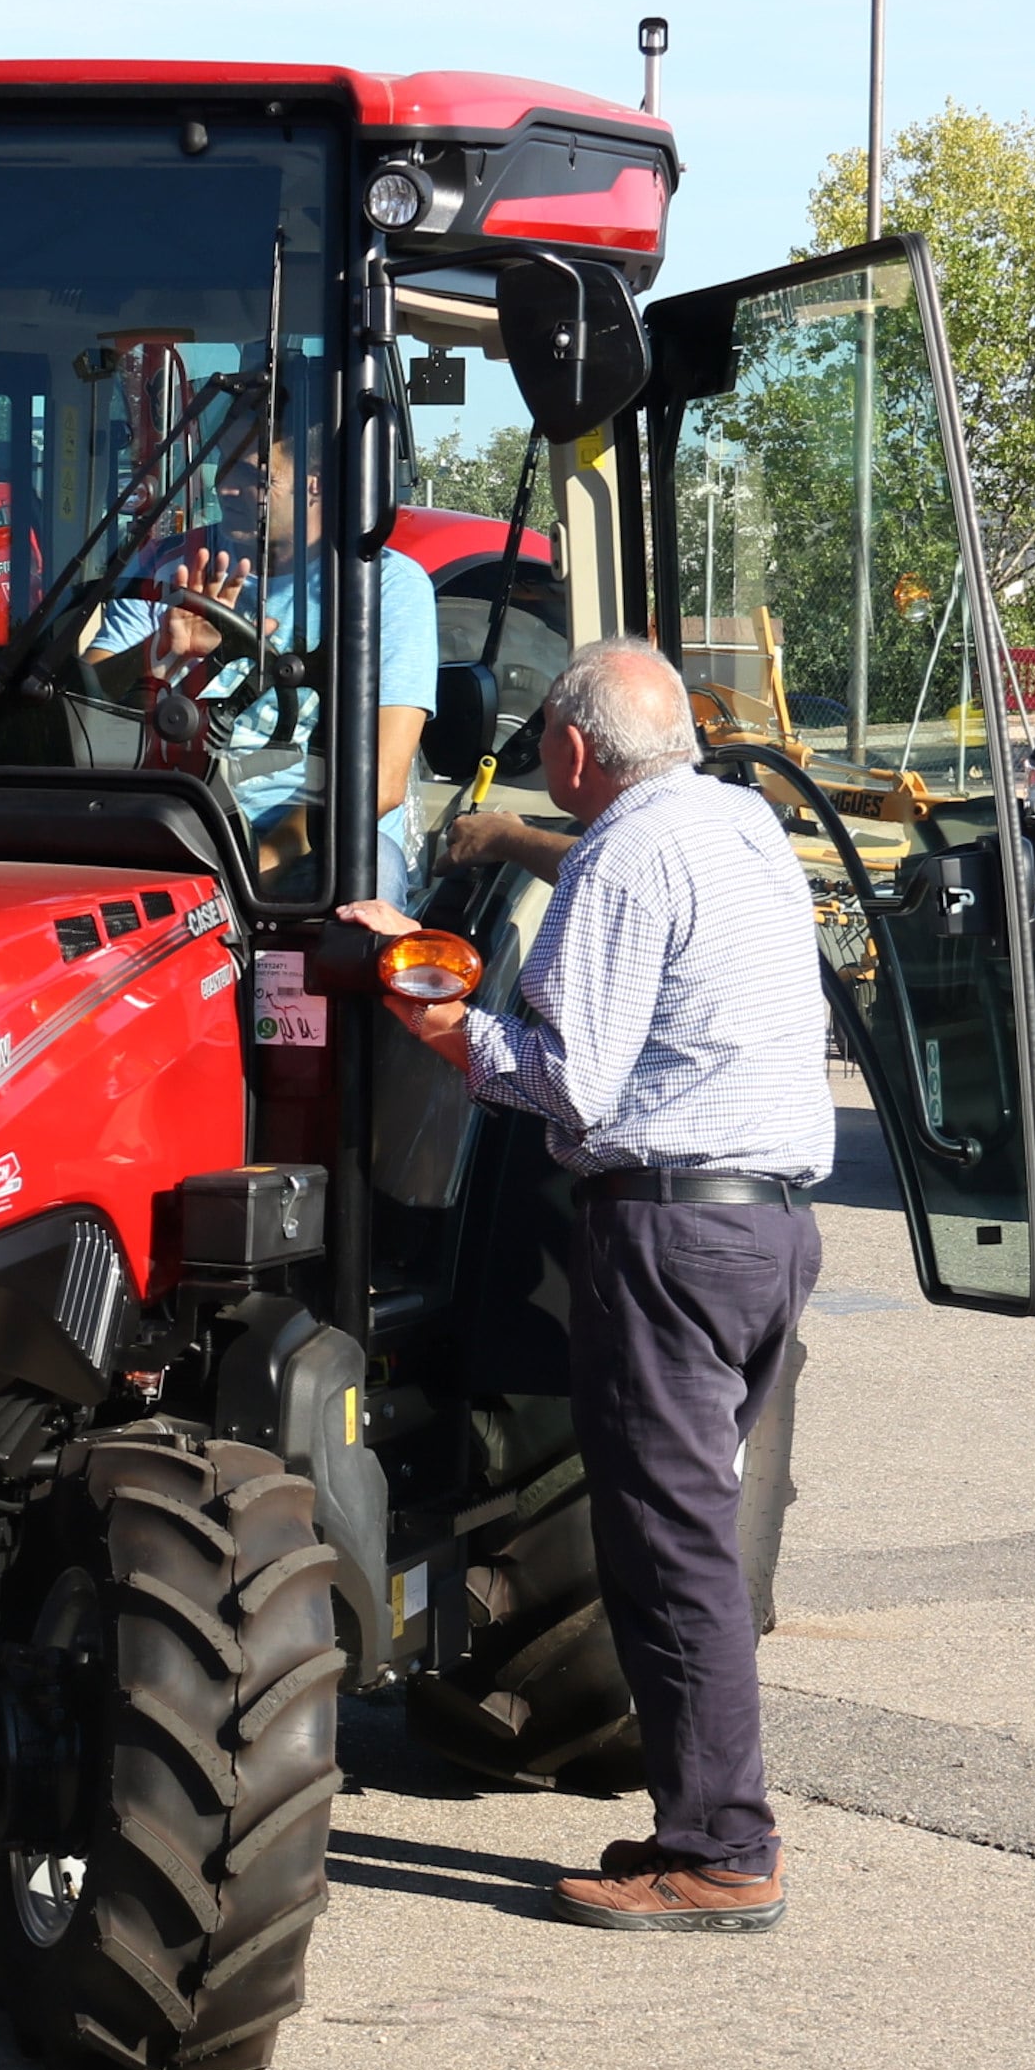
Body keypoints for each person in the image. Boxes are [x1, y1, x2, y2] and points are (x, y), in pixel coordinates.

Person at [345, 638, 830, 1933]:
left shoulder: (621, 856)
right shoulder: (736, 824)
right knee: (692, 1537)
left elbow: (564, 1081)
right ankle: (703, 1823)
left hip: (669, 1237)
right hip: (773, 1233)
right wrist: (508, 847)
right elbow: (629, 893)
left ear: (568, 751)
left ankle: (726, 1850)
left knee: (668, 1552)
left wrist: (416, 980)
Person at [94, 415, 439, 900]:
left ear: (313, 485)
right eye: (222, 468)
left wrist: (259, 860)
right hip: (168, 814)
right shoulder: (170, 565)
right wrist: (158, 651)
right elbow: (82, 699)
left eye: (253, 477)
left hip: (304, 834)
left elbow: (380, 783)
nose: (225, 490)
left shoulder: (384, 587)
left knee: (367, 880)